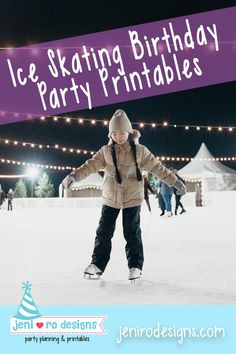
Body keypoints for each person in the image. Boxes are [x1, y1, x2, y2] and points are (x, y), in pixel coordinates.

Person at [62, 109, 186, 280]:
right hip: (110, 198)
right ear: (110, 134)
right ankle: (97, 264)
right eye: (114, 133)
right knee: (103, 232)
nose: (118, 136)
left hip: (132, 198)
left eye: (121, 132)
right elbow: (89, 166)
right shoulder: (105, 151)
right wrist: (73, 176)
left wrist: (175, 181)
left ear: (128, 132)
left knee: (132, 232)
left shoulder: (141, 151)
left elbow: (158, 168)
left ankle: (135, 266)